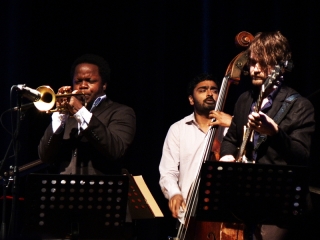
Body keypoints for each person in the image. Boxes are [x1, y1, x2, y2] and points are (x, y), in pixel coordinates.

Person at [219, 31, 315, 239]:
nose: (254, 69)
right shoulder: (244, 100)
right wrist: (227, 156)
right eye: (252, 63)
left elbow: (302, 156)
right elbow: (231, 139)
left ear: (281, 66)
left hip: (283, 206)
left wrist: (274, 133)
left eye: (262, 63)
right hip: (246, 200)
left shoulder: (300, 105)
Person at [159, 73, 232, 237]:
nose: (209, 93)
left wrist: (234, 124)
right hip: (189, 215)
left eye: (214, 89)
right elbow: (168, 171)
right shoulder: (178, 129)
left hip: (226, 214)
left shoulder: (231, 127)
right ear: (191, 99)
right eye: (202, 90)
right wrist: (174, 193)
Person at [38, 54, 136, 175]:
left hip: (100, 190)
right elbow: (45, 157)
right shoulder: (66, 117)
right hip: (64, 190)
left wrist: (80, 111)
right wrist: (60, 116)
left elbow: (115, 150)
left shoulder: (121, 112)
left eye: (90, 81)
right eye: (78, 81)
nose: (83, 85)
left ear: (104, 84)